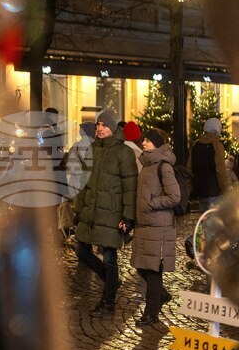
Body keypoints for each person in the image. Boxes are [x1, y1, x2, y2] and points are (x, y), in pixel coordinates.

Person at [73, 108, 137, 316]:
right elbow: (83, 184)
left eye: (104, 125)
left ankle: (108, 302)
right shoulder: (91, 149)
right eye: (98, 125)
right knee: (82, 251)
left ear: (113, 127)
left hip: (112, 214)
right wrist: (79, 209)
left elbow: (130, 188)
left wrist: (128, 217)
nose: (99, 128)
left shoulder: (124, 152)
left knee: (110, 258)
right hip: (91, 212)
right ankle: (113, 282)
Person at [130, 128, 178, 326]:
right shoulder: (146, 165)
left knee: (153, 270)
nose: (143, 143)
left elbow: (175, 197)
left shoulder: (163, 167)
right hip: (144, 225)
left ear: (157, 144)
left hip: (159, 226)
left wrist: (152, 204)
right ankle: (162, 296)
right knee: (142, 266)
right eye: (144, 140)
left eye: (148, 141)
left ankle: (151, 313)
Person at [189, 117, 230, 212]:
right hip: (215, 192)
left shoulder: (196, 144)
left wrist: (192, 188)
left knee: (203, 221)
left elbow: (190, 167)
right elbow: (220, 171)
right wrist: (225, 189)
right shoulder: (217, 145)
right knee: (214, 223)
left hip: (200, 191)